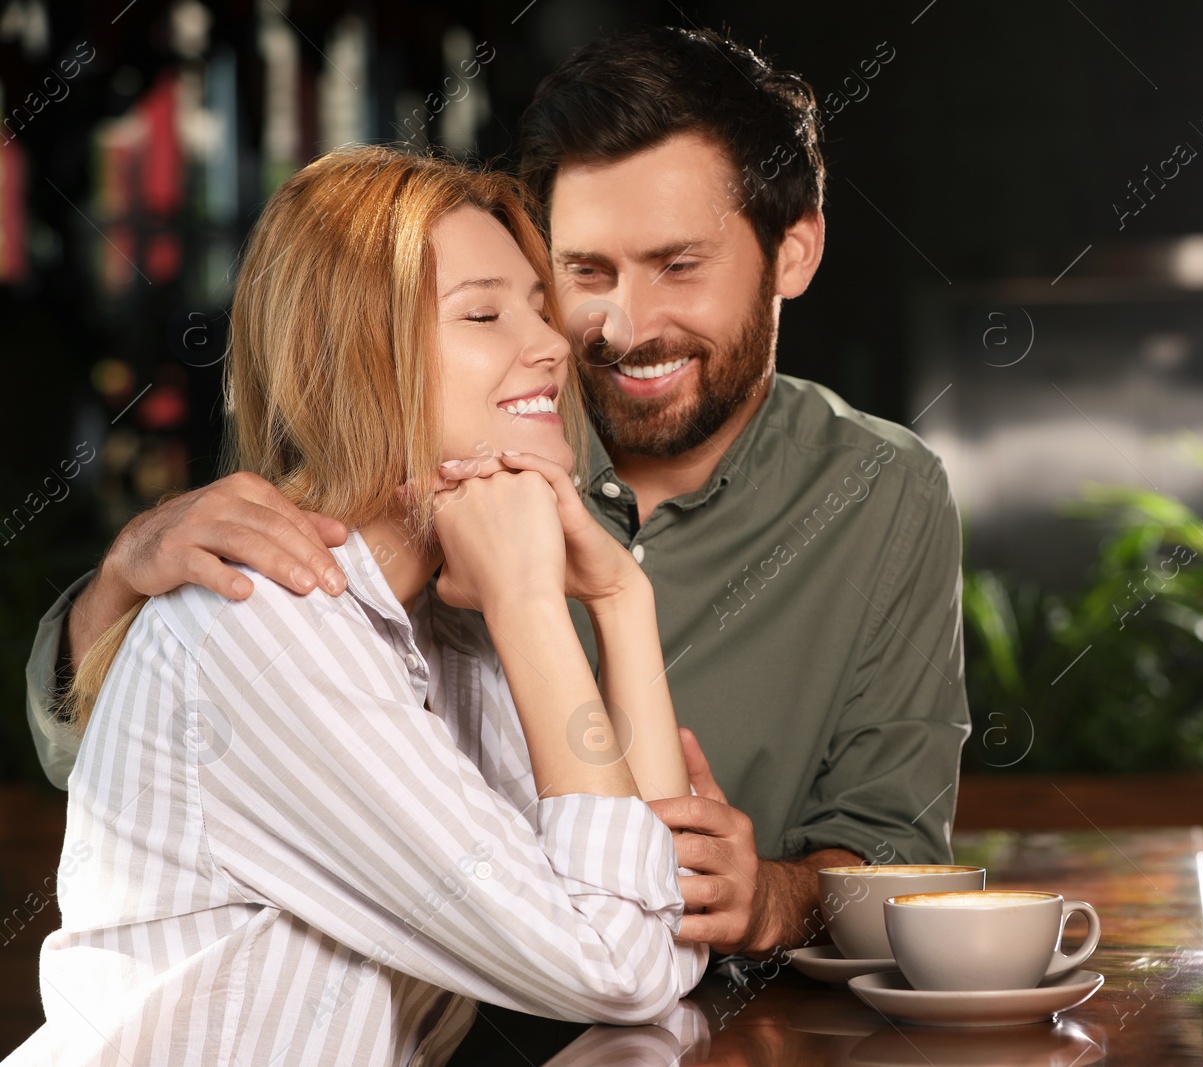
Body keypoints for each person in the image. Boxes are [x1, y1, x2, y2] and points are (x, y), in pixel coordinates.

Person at [25, 26, 970, 958]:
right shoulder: (472, 420)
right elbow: (185, 727)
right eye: (585, 272)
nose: (621, 328)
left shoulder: (883, 492)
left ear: (794, 253)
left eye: (679, 266)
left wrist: (774, 896)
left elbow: (896, 849)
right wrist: (119, 588)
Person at [7, 145, 706, 1067]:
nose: (551, 342)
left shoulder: (450, 637)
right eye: (485, 313)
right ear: (352, 359)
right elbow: (616, 967)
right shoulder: (265, 622)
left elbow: (661, 942)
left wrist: (621, 598)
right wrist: (533, 600)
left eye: (539, 307)